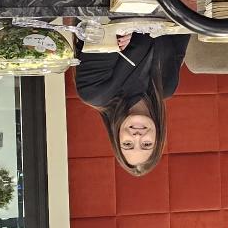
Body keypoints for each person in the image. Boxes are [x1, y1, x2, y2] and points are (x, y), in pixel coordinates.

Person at [75, 33, 188, 175]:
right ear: (157, 137)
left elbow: (101, 27)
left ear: (117, 137)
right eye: (146, 144)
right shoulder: (167, 87)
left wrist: (122, 33)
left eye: (128, 144)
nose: (137, 136)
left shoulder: (94, 91)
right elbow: (181, 29)